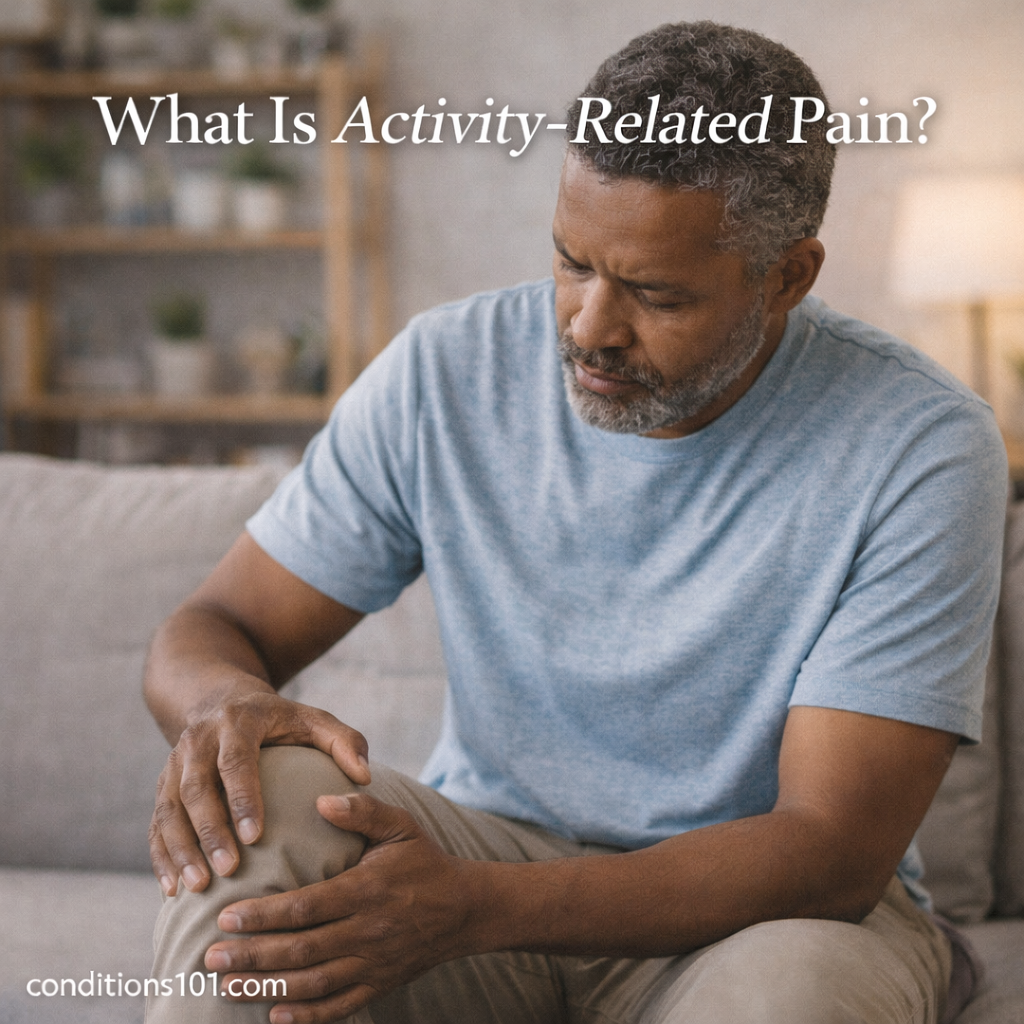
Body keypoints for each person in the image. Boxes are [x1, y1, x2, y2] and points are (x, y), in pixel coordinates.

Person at [143, 20, 1007, 1024]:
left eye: (652, 291)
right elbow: (214, 627)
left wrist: (479, 909)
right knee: (271, 800)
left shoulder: (920, 442)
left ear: (786, 278)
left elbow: (827, 850)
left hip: (761, 916)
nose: (589, 326)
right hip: (485, 850)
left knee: (789, 999)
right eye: (572, 262)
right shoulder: (446, 371)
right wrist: (216, 705)